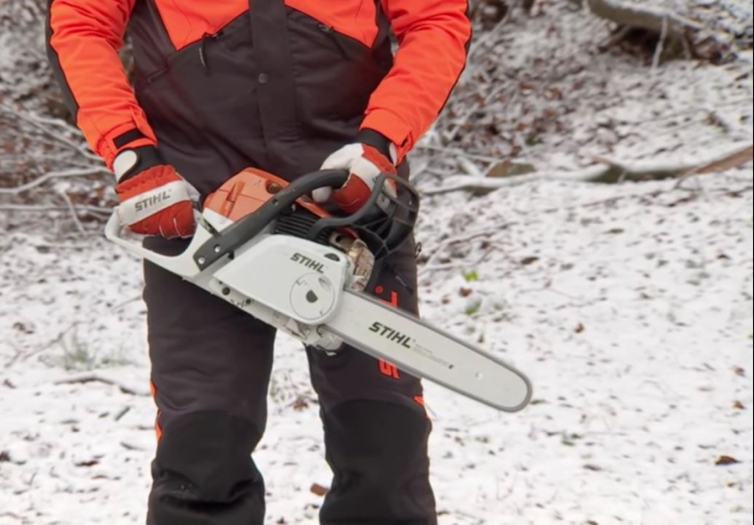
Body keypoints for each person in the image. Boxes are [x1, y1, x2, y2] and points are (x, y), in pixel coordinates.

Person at [47, 1, 471, 523]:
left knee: (383, 434)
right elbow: (80, 23)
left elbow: (436, 20)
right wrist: (132, 153)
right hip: (199, 201)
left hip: (350, 189)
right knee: (203, 443)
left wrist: (381, 141)